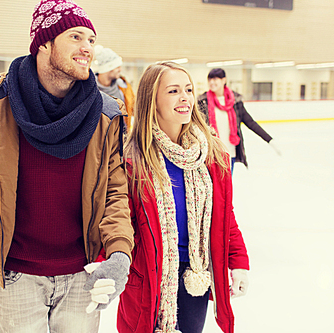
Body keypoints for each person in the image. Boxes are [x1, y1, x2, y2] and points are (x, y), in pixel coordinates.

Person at [0, 1, 134, 332]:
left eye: (91, 40)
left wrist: (119, 253)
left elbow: (115, 192)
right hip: (17, 276)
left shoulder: (106, 114)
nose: (88, 48)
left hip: (82, 275)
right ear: (44, 42)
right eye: (76, 37)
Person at [118, 61, 250, 333]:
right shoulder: (133, 161)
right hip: (148, 277)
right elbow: (118, 223)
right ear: (151, 100)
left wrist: (238, 261)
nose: (185, 98)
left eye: (189, 90)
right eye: (173, 91)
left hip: (195, 277)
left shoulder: (210, 155)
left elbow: (225, 216)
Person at [198, 68, 281, 172]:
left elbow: (250, 122)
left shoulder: (235, 102)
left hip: (229, 153)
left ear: (224, 80)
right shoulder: (202, 102)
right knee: (211, 187)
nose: (211, 82)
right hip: (211, 153)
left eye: (215, 79)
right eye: (209, 79)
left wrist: (270, 140)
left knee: (227, 187)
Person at [92, 45, 135, 131]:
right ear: (108, 68)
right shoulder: (91, 88)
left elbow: (133, 109)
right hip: (99, 137)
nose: (120, 69)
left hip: (121, 136)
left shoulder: (124, 86)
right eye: (117, 66)